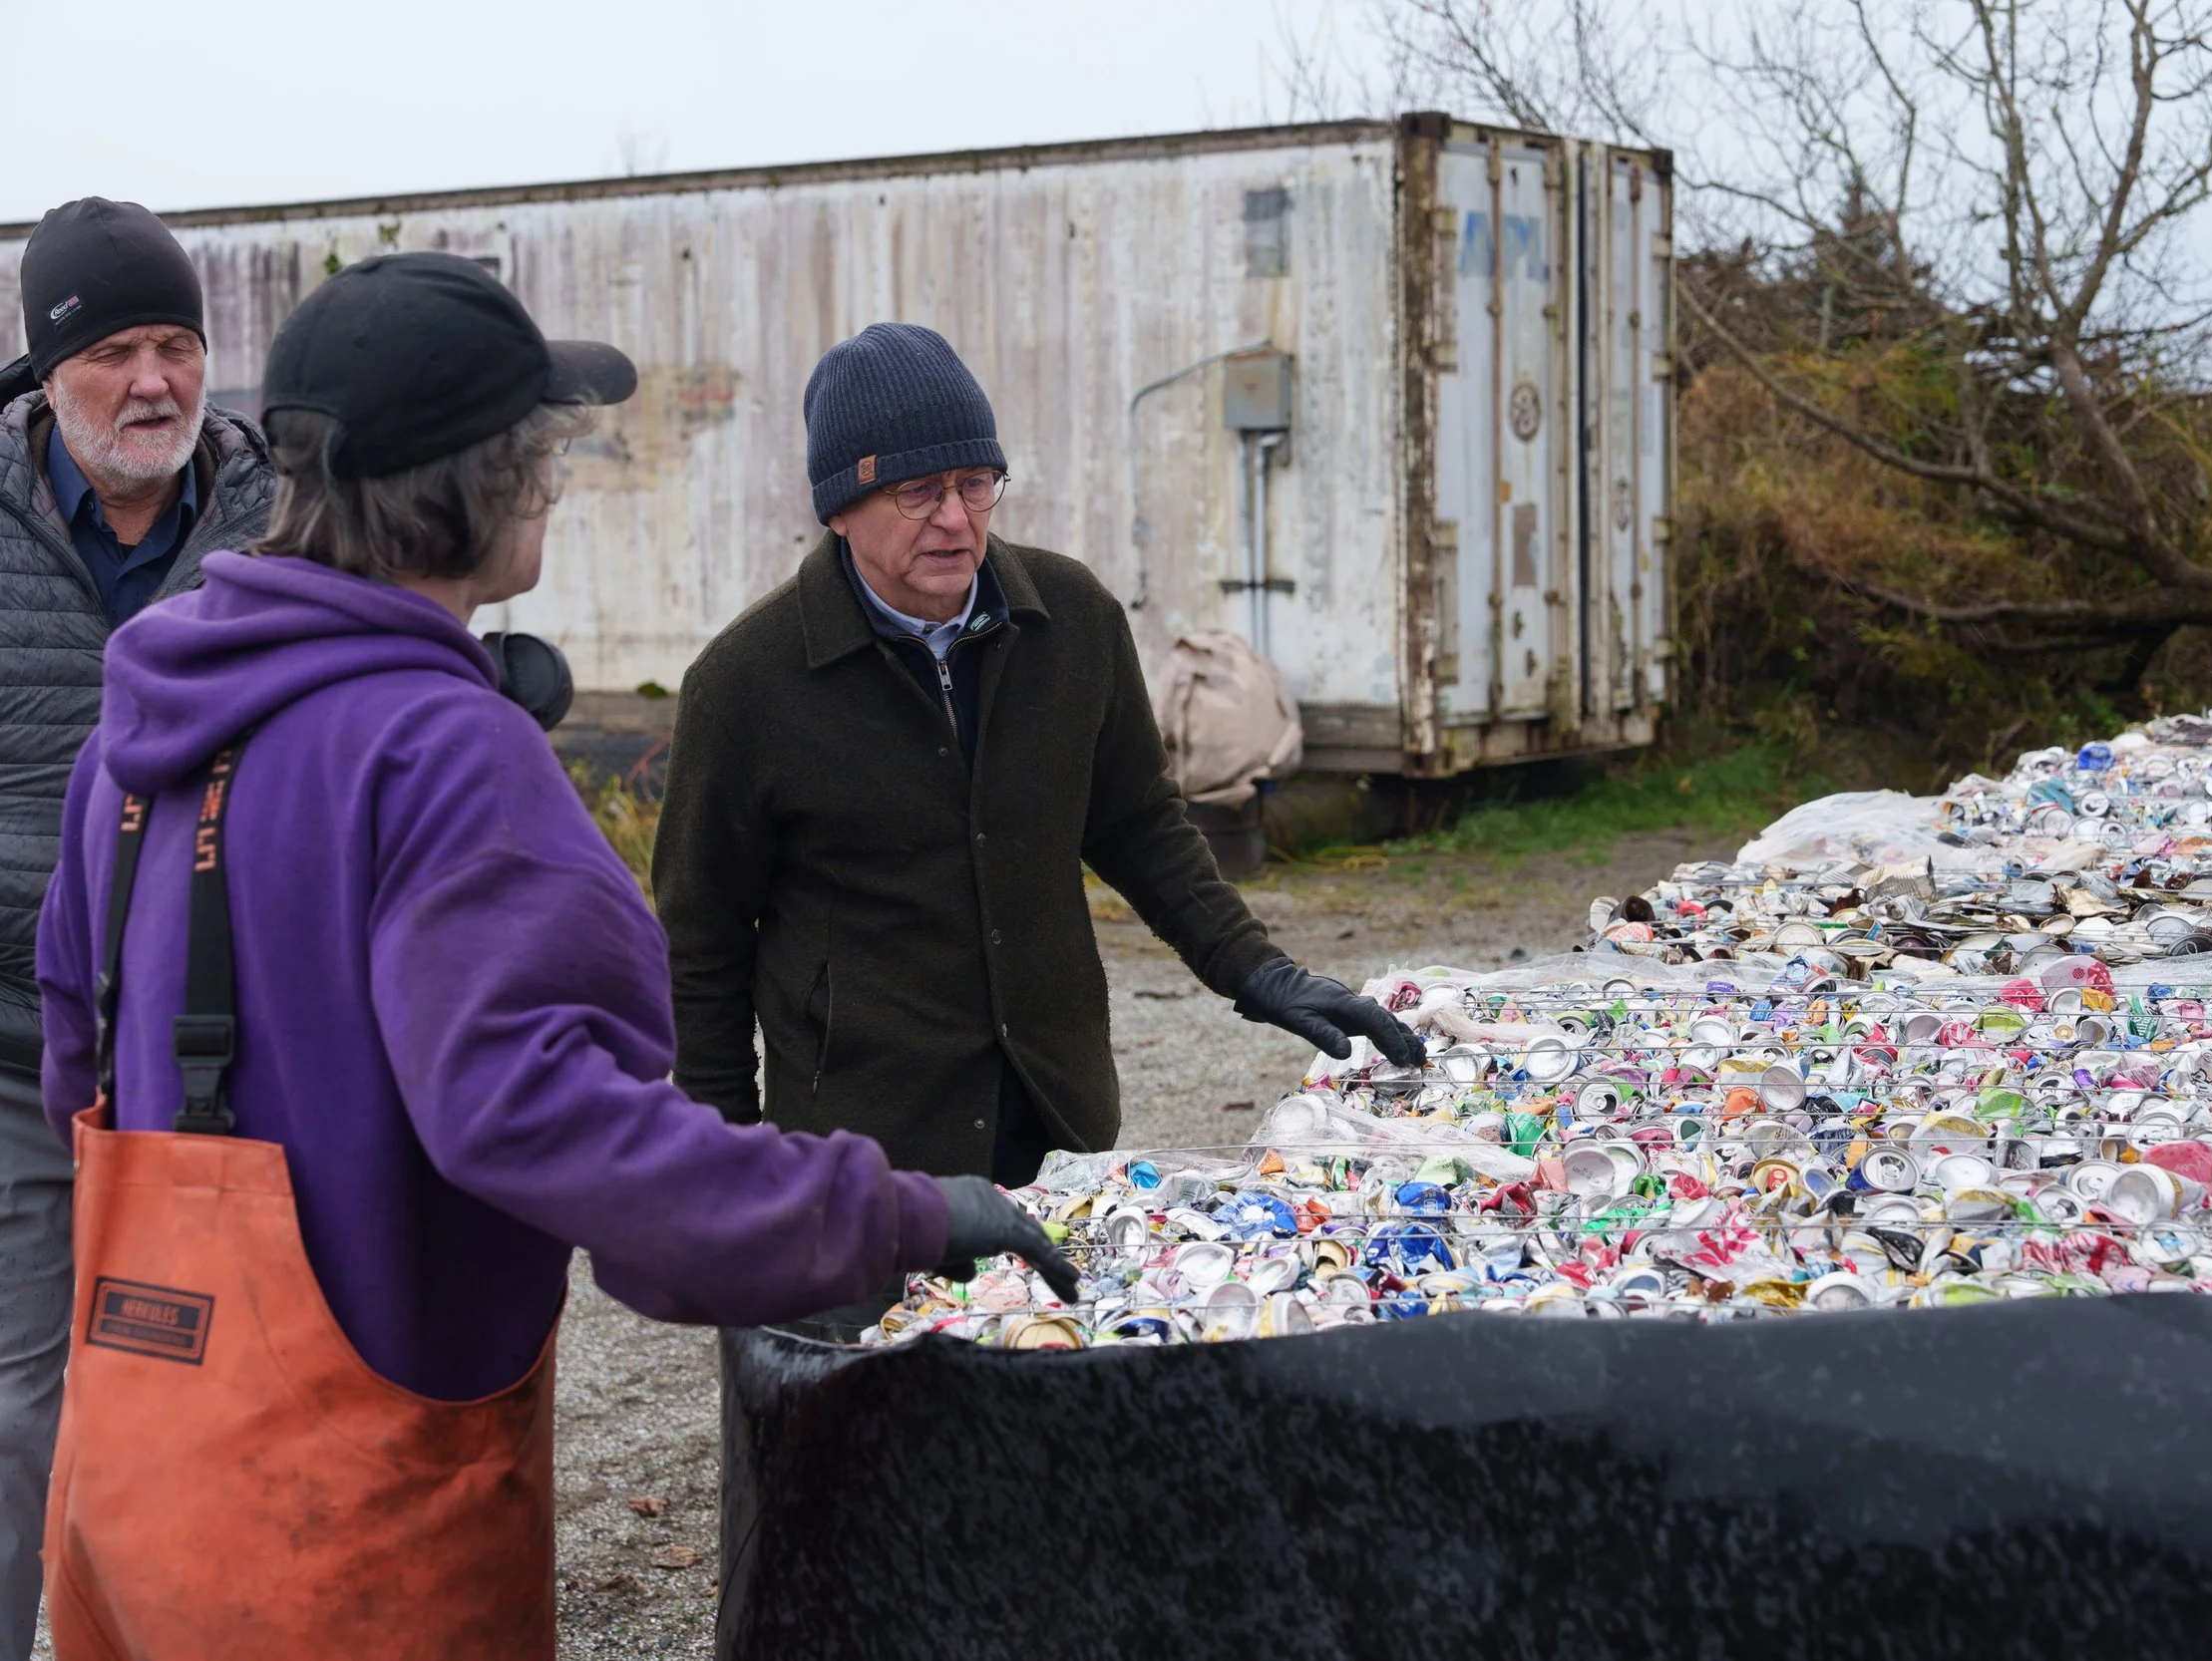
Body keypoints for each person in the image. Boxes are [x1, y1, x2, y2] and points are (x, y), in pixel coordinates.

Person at [32, 252, 1073, 1659]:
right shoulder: (447, 751)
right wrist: (889, 1214)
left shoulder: (133, 741)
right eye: (538, 449)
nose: (556, 478)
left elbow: (74, 1076)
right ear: (467, 481)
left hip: (131, 1495)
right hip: (351, 1540)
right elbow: (555, 1126)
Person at [653, 322, 1424, 1212]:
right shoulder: (747, 684)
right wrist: (727, 1159)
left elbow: (1137, 821)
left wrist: (1254, 970)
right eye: (917, 493)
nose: (955, 519)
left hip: (1059, 1128)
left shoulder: (1071, 621)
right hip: (865, 1159)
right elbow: (700, 940)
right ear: (837, 507)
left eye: (975, 484)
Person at [0, 198, 275, 1661]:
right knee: (15, 1400)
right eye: (114, 350)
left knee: (236, 1395)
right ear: (47, 370)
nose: (155, 380)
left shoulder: (277, 521)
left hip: (229, 1051)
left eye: (178, 344)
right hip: (11, 1048)